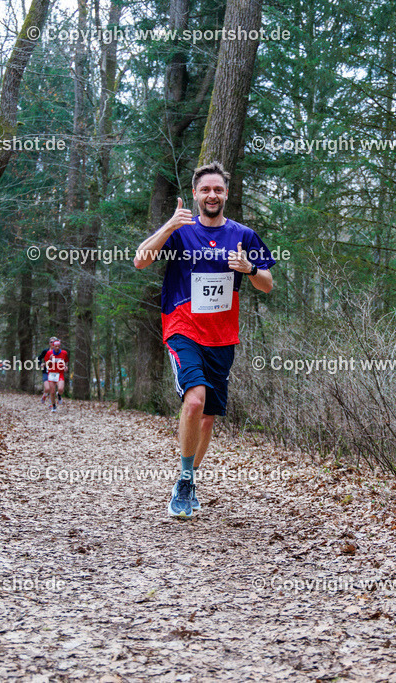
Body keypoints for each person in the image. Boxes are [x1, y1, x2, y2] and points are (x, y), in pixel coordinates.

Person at [134, 161, 275, 518]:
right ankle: (184, 480)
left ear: (226, 194)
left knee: (209, 417)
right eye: (206, 190)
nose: (212, 195)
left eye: (218, 189)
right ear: (195, 194)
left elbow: (267, 284)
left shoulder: (243, 235)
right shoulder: (180, 232)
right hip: (182, 327)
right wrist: (169, 225)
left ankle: (189, 478)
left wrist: (250, 269)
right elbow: (140, 261)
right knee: (194, 400)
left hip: (222, 336)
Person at [40, 337, 69, 412]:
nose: (57, 348)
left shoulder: (64, 353)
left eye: (58, 346)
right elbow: (46, 364)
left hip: (60, 373)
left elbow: (66, 361)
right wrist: (49, 360)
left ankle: (59, 394)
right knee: (52, 392)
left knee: (61, 389)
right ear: (53, 346)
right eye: (56, 346)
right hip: (51, 373)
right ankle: (53, 406)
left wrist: (65, 367)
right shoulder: (49, 353)